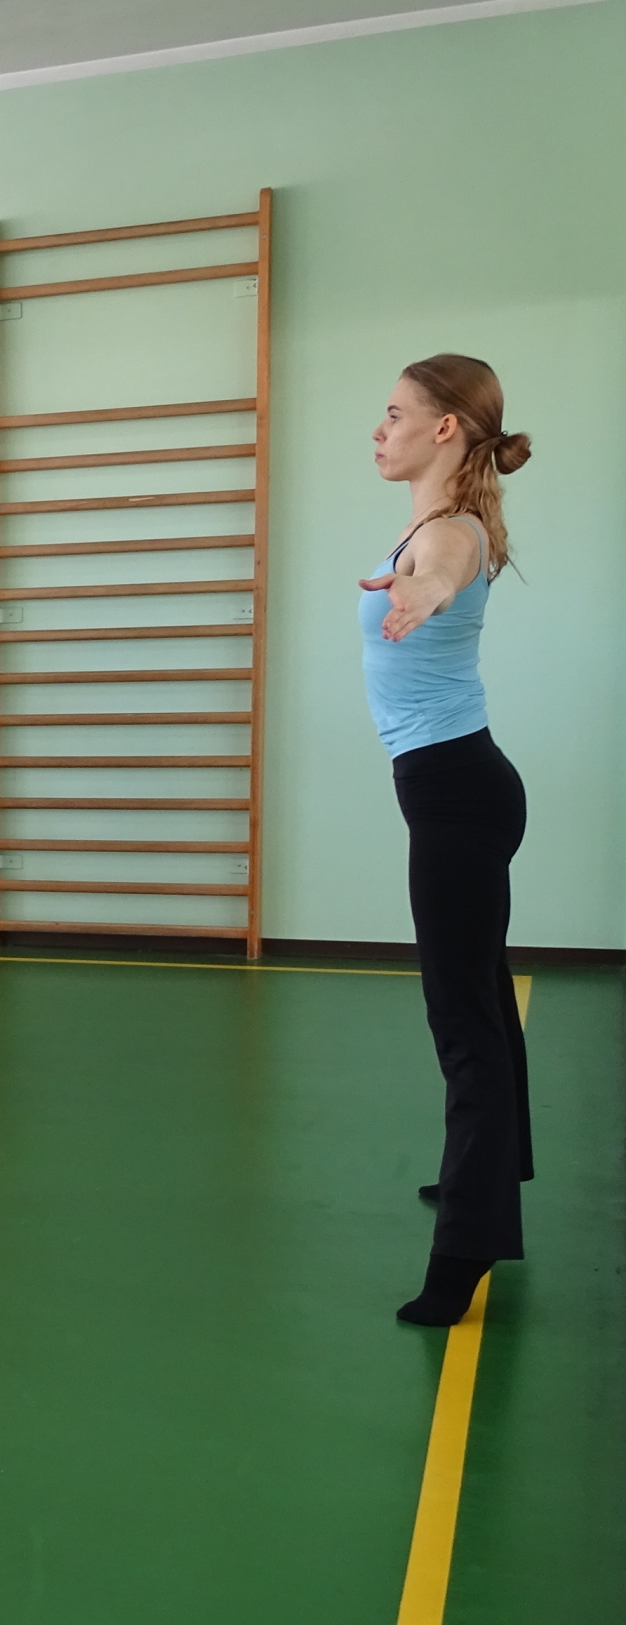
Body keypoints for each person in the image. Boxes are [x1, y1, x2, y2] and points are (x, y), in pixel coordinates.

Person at [358, 354, 533, 1326]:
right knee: (482, 1000)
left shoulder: (449, 533)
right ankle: (497, 1169)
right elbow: (435, 561)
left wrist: (422, 593)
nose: (377, 430)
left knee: (461, 1023)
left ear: (444, 429)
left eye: (394, 414)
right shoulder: (429, 524)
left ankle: (465, 1248)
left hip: (457, 798)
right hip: (460, 789)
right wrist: (412, 583)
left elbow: (446, 569)